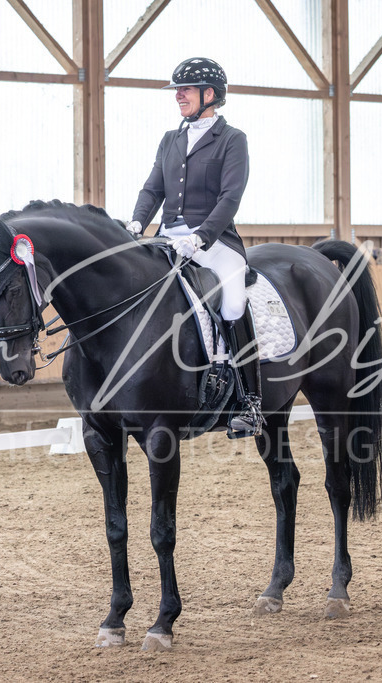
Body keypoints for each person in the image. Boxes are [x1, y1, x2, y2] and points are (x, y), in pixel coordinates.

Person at [127, 57, 261, 436]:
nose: (178, 96)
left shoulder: (233, 139)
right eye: (177, 90)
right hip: (169, 239)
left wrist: (201, 237)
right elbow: (153, 188)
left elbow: (230, 198)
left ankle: (250, 401)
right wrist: (137, 221)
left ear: (210, 95)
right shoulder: (171, 139)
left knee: (233, 301)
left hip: (215, 242)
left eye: (185, 90)